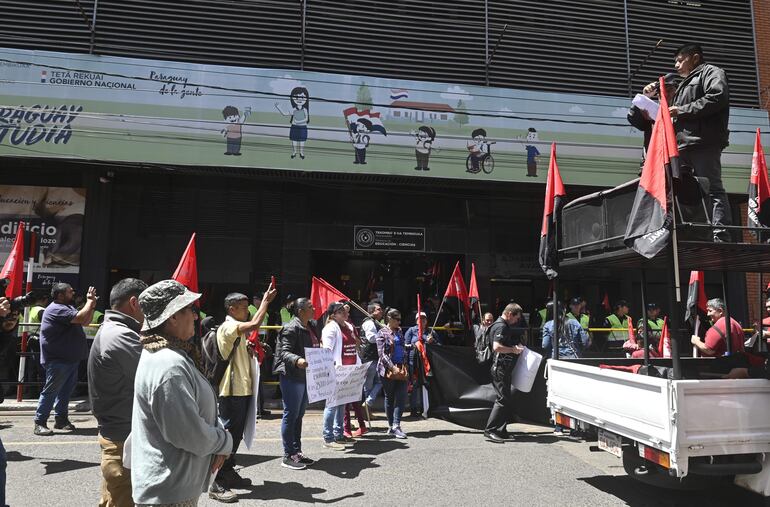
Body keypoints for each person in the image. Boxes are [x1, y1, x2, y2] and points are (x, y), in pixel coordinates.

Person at [131, 280, 232, 505]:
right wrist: (224, 440)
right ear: (173, 317)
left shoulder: (165, 354)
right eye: (190, 310)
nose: (196, 317)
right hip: (169, 493)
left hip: (172, 488)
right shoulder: (169, 365)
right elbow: (188, 434)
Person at [645, 44, 731, 242]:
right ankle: (689, 231)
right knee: (682, 189)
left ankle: (720, 233)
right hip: (681, 146)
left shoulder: (712, 72)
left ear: (695, 58)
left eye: (680, 60)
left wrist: (681, 110)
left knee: (712, 187)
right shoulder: (683, 83)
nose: (676, 65)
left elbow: (717, 97)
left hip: (703, 142)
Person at [210, 286, 276, 502]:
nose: (248, 310)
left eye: (249, 307)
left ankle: (227, 471)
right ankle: (216, 481)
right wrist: (265, 301)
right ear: (231, 309)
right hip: (231, 391)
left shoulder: (238, 327)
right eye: (243, 307)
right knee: (228, 434)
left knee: (236, 434)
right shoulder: (228, 327)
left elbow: (253, 326)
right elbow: (256, 323)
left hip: (243, 388)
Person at [88, 278, 148, 507]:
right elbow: (154, 373)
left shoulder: (117, 331)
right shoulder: (120, 335)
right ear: (134, 302)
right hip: (123, 439)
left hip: (120, 434)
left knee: (113, 500)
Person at [34, 283, 97, 436]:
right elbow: (81, 317)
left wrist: (92, 305)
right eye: (70, 291)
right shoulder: (57, 309)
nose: (73, 293)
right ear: (60, 295)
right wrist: (89, 301)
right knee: (51, 391)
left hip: (69, 359)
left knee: (65, 392)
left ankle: (61, 420)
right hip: (58, 359)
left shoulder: (67, 308)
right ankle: (39, 422)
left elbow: (85, 321)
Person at [273, 297, 319, 470]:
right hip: (292, 376)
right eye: (310, 306)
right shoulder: (291, 327)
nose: (313, 308)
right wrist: (297, 359)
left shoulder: (311, 326)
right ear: (300, 311)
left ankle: (297, 452)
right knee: (291, 414)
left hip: (305, 376)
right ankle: (288, 454)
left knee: (298, 415)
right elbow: (283, 352)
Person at [542, 301, 589, 435]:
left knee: (556, 393)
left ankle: (559, 426)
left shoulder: (548, 325)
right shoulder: (574, 323)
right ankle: (575, 427)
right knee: (574, 394)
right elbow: (585, 342)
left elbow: (545, 346)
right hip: (574, 362)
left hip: (557, 363)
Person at [484, 303, 525, 443]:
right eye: (516, 318)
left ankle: (500, 430)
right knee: (502, 399)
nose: (516, 321)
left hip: (502, 367)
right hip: (499, 368)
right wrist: (513, 349)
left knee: (505, 399)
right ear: (509, 314)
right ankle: (490, 430)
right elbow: (496, 347)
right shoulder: (501, 326)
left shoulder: (501, 325)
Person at [320, 302, 356, 449]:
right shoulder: (330, 328)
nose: (345, 313)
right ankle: (328, 438)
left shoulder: (348, 327)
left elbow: (353, 347)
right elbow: (326, 352)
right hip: (336, 372)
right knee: (332, 405)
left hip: (347, 372)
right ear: (333, 315)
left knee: (342, 403)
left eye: (345, 311)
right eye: (341, 312)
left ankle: (339, 434)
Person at [377, 308, 409, 439]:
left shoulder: (400, 331)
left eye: (400, 319)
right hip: (387, 370)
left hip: (401, 368)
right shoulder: (381, 333)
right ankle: (391, 426)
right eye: (397, 319)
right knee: (389, 398)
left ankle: (396, 425)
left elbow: (402, 347)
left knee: (401, 397)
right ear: (389, 318)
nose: (399, 322)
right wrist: (392, 367)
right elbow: (382, 354)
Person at [405, 311, 441, 418]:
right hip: (414, 362)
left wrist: (432, 341)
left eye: (424, 318)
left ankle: (426, 408)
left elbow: (440, 346)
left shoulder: (431, 332)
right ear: (416, 320)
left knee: (427, 385)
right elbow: (405, 345)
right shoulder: (411, 331)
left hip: (427, 363)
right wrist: (415, 344)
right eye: (419, 318)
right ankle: (413, 409)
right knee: (414, 385)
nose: (422, 320)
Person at [360, 302, 384, 418]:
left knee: (375, 383)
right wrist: (384, 336)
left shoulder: (375, 322)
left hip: (373, 357)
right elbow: (371, 338)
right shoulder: (369, 323)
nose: (381, 311)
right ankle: (367, 409)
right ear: (371, 311)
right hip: (370, 357)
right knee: (371, 384)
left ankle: (367, 408)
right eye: (378, 309)